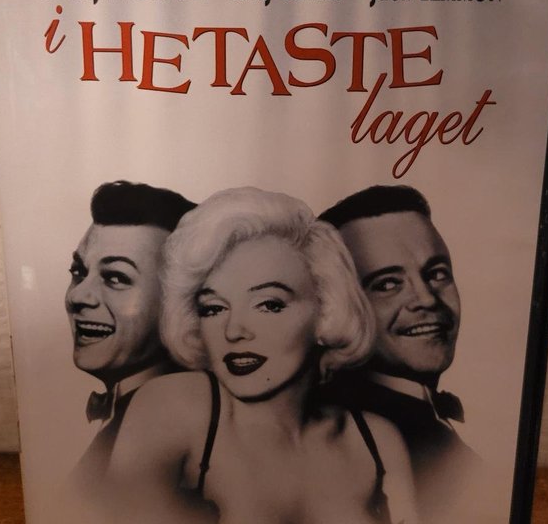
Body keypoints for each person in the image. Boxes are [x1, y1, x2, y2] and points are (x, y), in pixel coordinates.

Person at [102, 187, 418, 524]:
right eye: (213, 308)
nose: (233, 330)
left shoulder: (376, 441)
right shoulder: (177, 407)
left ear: (327, 310)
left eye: (268, 304)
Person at [319, 185, 479, 522]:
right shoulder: (354, 438)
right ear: (334, 309)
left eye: (436, 274)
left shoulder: (425, 421)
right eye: (387, 284)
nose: (427, 299)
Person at [65, 180, 195, 478]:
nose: (77, 296)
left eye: (116, 277)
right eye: (78, 272)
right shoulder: (124, 419)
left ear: (182, 300)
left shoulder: (179, 431)